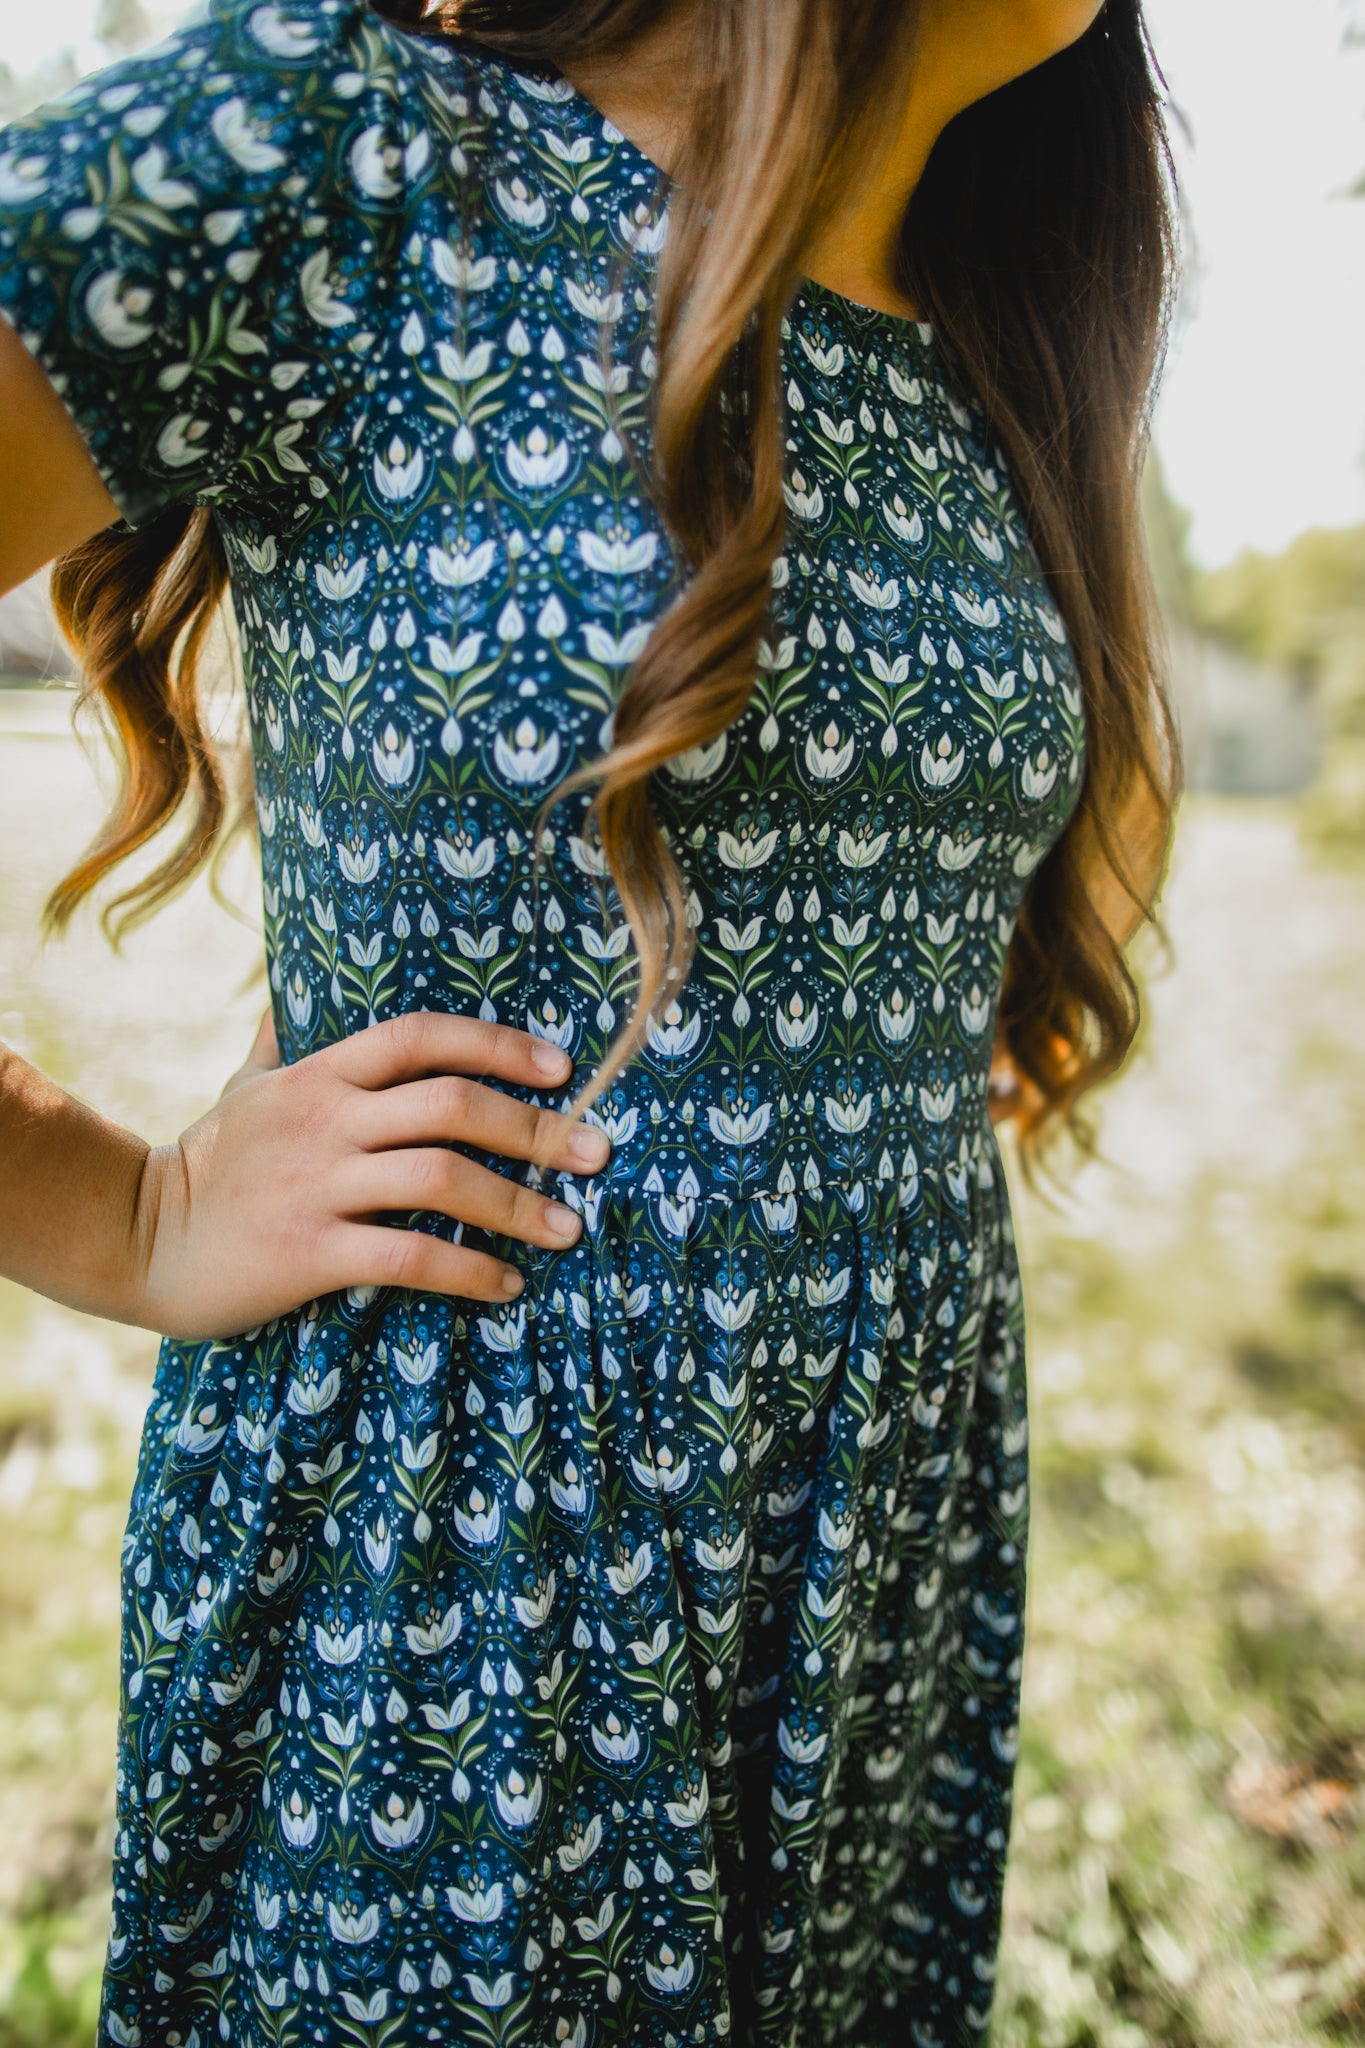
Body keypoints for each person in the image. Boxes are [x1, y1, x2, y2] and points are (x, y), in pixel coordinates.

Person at [0, 0, 1178, 2039]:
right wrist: (118, 1210)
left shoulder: (994, 316)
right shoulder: (355, 150)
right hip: (468, 1589)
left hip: (866, 1546)